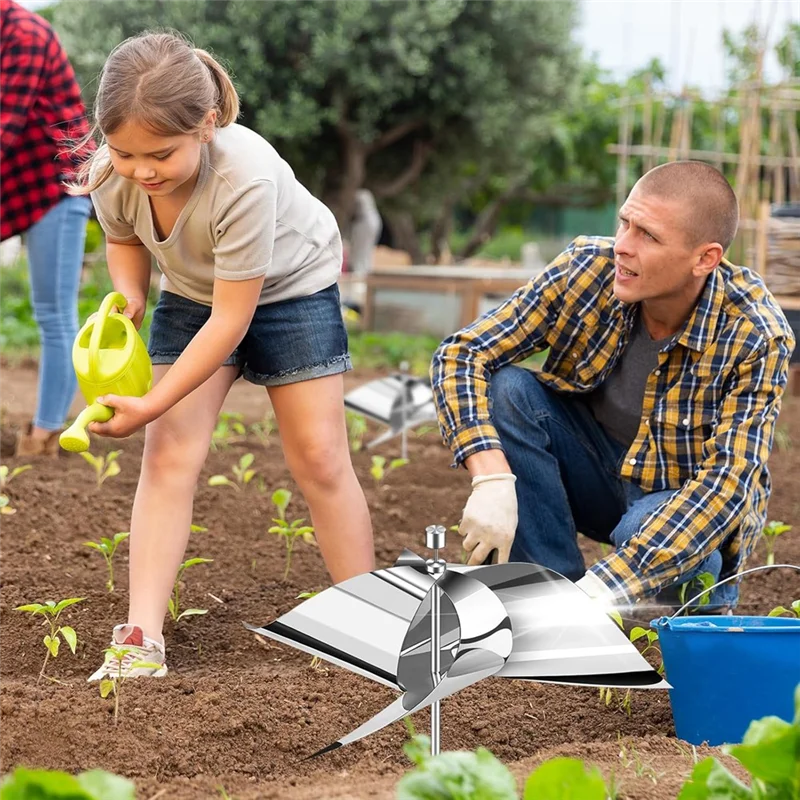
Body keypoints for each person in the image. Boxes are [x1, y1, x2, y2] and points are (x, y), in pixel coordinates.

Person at [67, 31, 375, 680]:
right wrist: (128, 293)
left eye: (160, 154)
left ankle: (369, 624)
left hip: (293, 289)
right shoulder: (111, 171)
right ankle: (139, 638)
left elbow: (232, 322)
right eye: (124, 152)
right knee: (170, 451)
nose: (142, 170)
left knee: (319, 457)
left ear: (207, 125)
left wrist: (151, 401)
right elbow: (123, 235)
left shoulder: (246, 177)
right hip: (193, 290)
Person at [431, 161, 795, 612]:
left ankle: (678, 604)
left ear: (705, 258)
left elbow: (727, 484)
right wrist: (492, 477)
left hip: (675, 501)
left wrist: (601, 589)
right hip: (595, 470)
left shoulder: (755, 333)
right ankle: (544, 596)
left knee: (656, 550)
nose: (623, 246)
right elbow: (463, 353)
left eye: (648, 236)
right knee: (509, 390)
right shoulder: (588, 271)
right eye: (624, 222)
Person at [1, 0, 94, 456]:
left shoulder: (25, 35)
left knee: (53, 314)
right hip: (13, 186)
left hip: (56, 182)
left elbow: (5, 126)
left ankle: (45, 434)